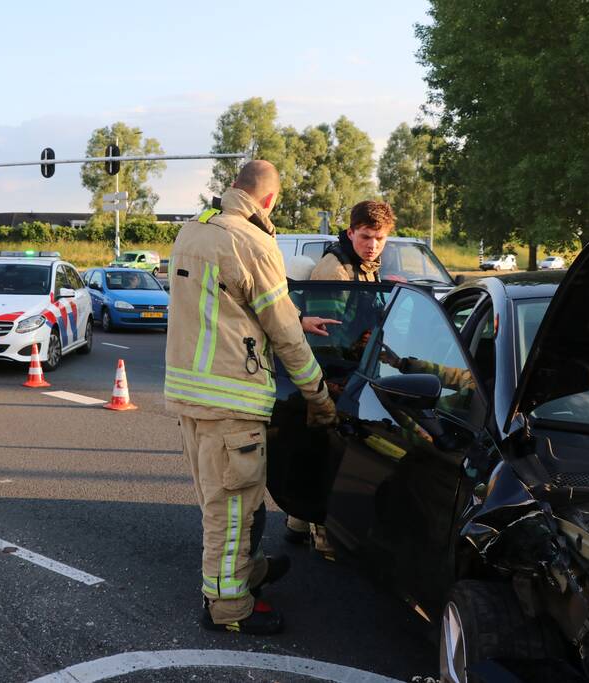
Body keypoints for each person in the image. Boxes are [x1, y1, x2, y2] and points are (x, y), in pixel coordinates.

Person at [165, 160, 337, 635]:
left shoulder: (193, 231)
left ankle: (249, 569)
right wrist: (319, 397)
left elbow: (226, 302)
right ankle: (229, 607)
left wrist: (290, 315)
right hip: (232, 401)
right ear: (268, 200)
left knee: (220, 501)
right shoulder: (254, 241)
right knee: (232, 512)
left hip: (191, 398)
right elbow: (282, 332)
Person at [285, 200, 395, 548]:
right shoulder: (336, 270)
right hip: (335, 374)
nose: (373, 245)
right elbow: (327, 338)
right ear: (351, 232)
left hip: (352, 369)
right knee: (333, 453)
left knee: (319, 450)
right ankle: (324, 534)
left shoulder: (367, 265)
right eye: (366, 237)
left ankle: (299, 521)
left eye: (379, 238)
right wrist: (332, 386)